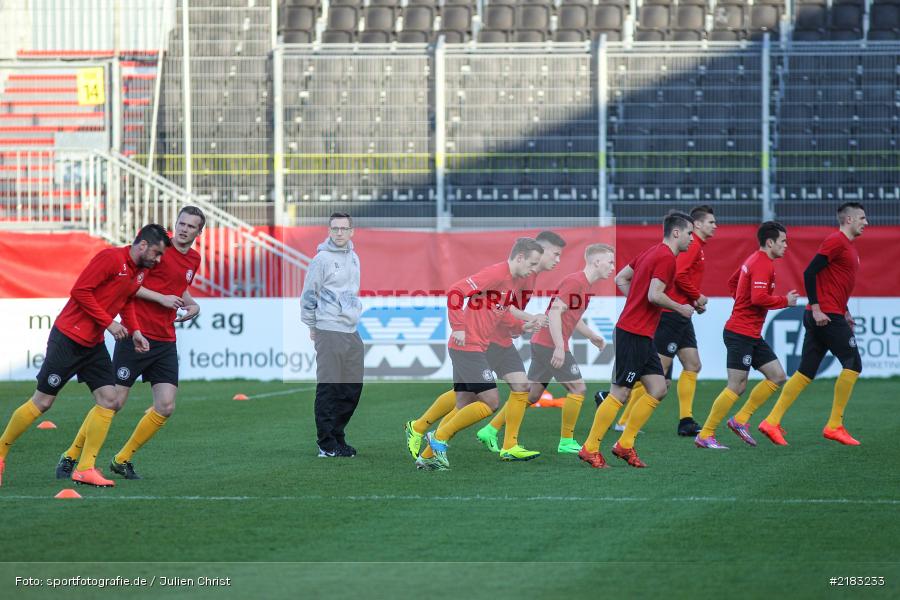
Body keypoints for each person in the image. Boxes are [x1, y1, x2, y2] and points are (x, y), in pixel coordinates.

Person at [0, 224, 170, 488]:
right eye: (157, 253)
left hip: (92, 343)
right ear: (143, 245)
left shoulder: (138, 273)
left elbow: (126, 301)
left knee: (109, 400)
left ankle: (85, 468)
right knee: (42, 402)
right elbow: (80, 291)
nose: (158, 260)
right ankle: (1, 452)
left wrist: (135, 330)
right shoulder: (110, 258)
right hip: (67, 338)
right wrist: (109, 323)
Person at [55, 207, 204, 481]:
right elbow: (132, 284)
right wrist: (161, 299)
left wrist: (192, 303)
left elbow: (178, 286)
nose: (184, 229)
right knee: (114, 403)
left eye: (191, 226)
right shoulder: (160, 249)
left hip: (165, 339)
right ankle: (71, 455)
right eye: (181, 223)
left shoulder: (194, 259)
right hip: (136, 336)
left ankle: (122, 459)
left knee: (166, 406)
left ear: (198, 232)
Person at [406, 232, 565, 461]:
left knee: (472, 398)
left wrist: (522, 326)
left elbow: (500, 311)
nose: (535, 267)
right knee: (483, 401)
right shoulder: (498, 274)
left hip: (486, 343)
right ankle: (434, 435)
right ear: (521, 257)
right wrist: (458, 326)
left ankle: (430, 453)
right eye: (532, 263)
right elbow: (456, 291)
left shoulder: (515, 278)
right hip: (473, 344)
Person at [579, 212, 695, 469]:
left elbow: (621, 277)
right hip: (633, 333)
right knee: (619, 393)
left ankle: (625, 444)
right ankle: (590, 447)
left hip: (640, 334)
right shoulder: (666, 257)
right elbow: (655, 295)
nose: (691, 239)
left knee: (658, 388)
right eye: (689, 233)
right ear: (676, 232)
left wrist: (637, 300)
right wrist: (679, 307)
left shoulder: (650, 252)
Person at [759, 203, 868, 446]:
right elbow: (810, 273)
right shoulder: (836, 241)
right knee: (853, 364)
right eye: (862, 218)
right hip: (825, 315)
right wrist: (817, 308)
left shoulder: (848, 246)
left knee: (806, 372)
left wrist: (845, 310)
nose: (866, 222)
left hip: (831, 312)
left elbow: (835, 283)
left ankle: (772, 421)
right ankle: (834, 425)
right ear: (848, 219)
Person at [500, 243, 615, 458]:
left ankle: (490, 430)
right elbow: (554, 313)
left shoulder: (585, 285)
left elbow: (571, 317)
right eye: (610, 262)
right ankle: (566, 441)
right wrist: (560, 347)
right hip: (550, 344)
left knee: (531, 395)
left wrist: (591, 335)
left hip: (544, 342)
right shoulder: (576, 281)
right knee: (578, 389)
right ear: (596, 261)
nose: (613, 267)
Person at [614, 205, 717, 437]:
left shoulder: (668, 250)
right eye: (711, 222)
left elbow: (622, 279)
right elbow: (664, 286)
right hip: (664, 318)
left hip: (674, 317)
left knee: (685, 369)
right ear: (687, 229)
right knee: (645, 380)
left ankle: (685, 419)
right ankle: (619, 423)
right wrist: (690, 301)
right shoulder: (670, 254)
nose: (715, 226)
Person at [694, 221, 798, 449]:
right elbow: (758, 298)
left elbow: (734, 283)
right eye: (783, 241)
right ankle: (706, 434)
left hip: (750, 333)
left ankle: (740, 420)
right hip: (740, 333)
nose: (786, 246)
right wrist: (785, 302)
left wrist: (742, 301)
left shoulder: (755, 260)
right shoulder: (762, 263)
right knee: (736, 386)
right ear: (769, 242)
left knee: (778, 375)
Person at [301, 212, 364, 458]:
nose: (339, 232)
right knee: (329, 387)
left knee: (352, 387)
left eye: (343, 228)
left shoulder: (355, 257)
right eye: (335, 228)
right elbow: (309, 294)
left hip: (351, 330)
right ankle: (326, 444)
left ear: (352, 232)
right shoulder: (321, 259)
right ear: (329, 231)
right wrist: (312, 325)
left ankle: (338, 436)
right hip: (329, 329)